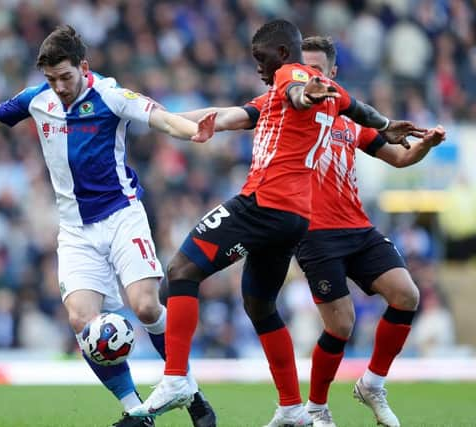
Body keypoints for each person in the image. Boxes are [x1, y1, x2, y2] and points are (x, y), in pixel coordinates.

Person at [0, 25, 217, 427]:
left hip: (122, 217)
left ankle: (186, 386)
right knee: (82, 322)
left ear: (84, 67)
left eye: (66, 77)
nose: (60, 87)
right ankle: (137, 411)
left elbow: (164, 120)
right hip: (75, 231)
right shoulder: (38, 99)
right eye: (52, 79)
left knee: (145, 305)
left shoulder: (111, 95)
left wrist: (195, 133)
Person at [128, 19, 422, 427]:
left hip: (264, 203)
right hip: (296, 219)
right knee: (260, 304)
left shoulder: (291, 76)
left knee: (181, 270)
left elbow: (298, 92)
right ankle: (292, 407)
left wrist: (304, 91)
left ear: (284, 54)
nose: (259, 68)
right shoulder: (320, 99)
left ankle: (177, 377)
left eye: (261, 59)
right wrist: (156, 116)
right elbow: (356, 110)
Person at [296, 36, 446, 427]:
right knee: (341, 325)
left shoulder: (351, 119)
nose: (311, 76)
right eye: (304, 68)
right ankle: (316, 409)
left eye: (318, 69)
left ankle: (372, 384)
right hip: (315, 232)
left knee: (407, 294)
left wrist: (425, 145)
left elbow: (398, 156)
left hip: (357, 226)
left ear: (334, 74)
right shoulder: (291, 113)